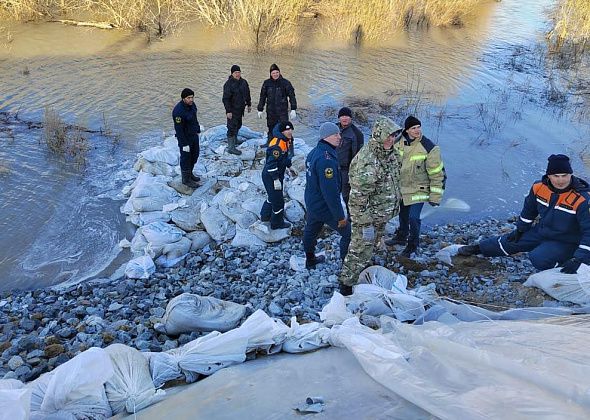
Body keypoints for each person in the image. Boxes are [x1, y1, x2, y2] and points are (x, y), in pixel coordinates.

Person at [459, 154, 590, 274]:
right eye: (556, 176)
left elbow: (588, 231)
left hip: (567, 241)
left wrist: (579, 258)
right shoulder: (538, 188)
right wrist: (520, 229)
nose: (561, 180)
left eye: (565, 175)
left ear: (570, 175)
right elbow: (529, 211)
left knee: (538, 258)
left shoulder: (583, 199)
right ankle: (479, 248)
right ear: (548, 175)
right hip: (542, 231)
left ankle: (567, 265)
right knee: (511, 240)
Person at [339, 117, 402, 294]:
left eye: (394, 135)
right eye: (387, 136)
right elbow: (357, 199)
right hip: (368, 218)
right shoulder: (367, 160)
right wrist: (365, 224)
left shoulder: (392, 155)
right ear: (378, 135)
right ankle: (346, 285)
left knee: (372, 245)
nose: (391, 139)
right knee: (359, 249)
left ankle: (365, 268)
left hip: (382, 215)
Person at [385, 116, 446, 257]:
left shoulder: (429, 147)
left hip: (419, 189)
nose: (417, 130)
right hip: (402, 189)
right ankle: (401, 237)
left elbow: (437, 174)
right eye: (413, 128)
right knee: (403, 215)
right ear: (407, 130)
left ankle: (413, 245)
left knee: (413, 217)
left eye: (419, 127)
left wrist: (435, 197)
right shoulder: (398, 141)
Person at [303, 122, 351, 271]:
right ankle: (347, 266)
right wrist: (340, 217)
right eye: (335, 134)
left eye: (339, 133)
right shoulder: (326, 160)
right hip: (325, 206)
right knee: (348, 234)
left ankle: (310, 259)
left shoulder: (314, 152)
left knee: (310, 231)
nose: (339, 137)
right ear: (326, 137)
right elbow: (330, 194)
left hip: (312, 203)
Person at [260, 121, 295, 230]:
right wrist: (275, 179)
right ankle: (276, 223)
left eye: (290, 129)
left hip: (276, 174)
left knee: (272, 196)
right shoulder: (277, 145)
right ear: (282, 132)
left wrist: (289, 166)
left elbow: (284, 157)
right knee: (278, 200)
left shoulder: (285, 141)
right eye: (286, 130)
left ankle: (265, 216)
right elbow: (271, 163)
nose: (289, 132)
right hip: (271, 175)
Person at [257, 63, 297, 142]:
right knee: (271, 128)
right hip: (271, 111)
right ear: (270, 74)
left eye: (277, 72)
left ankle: (288, 147)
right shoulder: (266, 83)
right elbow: (262, 97)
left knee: (285, 129)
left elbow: (292, 96)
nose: (275, 74)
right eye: (273, 73)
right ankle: (270, 144)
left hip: (282, 112)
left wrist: (293, 109)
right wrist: (260, 109)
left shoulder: (286, 83)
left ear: (279, 72)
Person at [172, 88, 201, 188]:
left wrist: (197, 129)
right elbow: (179, 130)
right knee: (186, 158)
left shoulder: (192, 105)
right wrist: (184, 144)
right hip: (185, 138)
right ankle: (186, 179)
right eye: (189, 98)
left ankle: (190, 173)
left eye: (192, 97)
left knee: (195, 155)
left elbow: (194, 118)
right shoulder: (178, 111)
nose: (191, 100)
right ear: (183, 98)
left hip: (193, 135)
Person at [336, 106, 365, 205]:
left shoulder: (357, 134)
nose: (344, 118)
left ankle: (350, 216)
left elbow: (359, 156)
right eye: (342, 116)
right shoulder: (334, 129)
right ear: (339, 118)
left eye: (347, 116)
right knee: (332, 193)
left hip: (346, 170)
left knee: (346, 195)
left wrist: (355, 173)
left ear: (351, 118)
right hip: (333, 167)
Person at [222, 64, 251, 155]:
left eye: (239, 72)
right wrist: (228, 111)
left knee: (238, 125)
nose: (237, 74)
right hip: (232, 110)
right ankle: (231, 147)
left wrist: (249, 104)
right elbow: (225, 99)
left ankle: (235, 140)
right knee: (231, 127)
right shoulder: (228, 84)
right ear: (232, 73)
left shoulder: (244, 82)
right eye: (235, 73)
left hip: (240, 109)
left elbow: (247, 94)